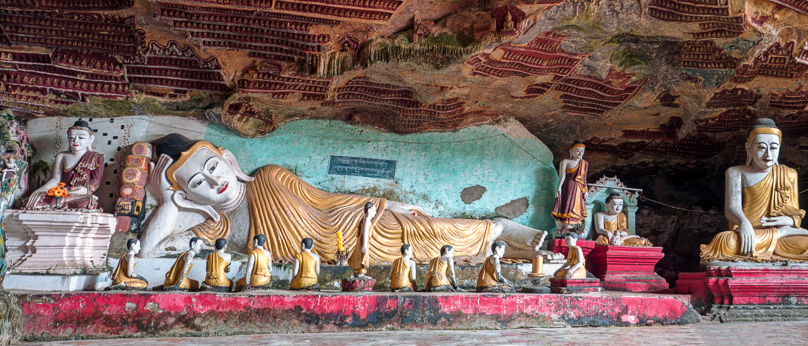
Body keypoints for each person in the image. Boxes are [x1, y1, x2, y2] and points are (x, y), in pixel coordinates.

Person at [140, 134, 550, 262]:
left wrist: (388, 205)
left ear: (229, 160)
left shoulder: (268, 178)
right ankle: (514, 254)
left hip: (356, 225)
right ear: (189, 196)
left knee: (433, 230)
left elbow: (326, 200)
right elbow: (151, 250)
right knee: (433, 254)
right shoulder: (219, 226)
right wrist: (165, 203)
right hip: (348, 256)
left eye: (214, 170)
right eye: (197, 185)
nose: (215, 186)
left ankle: (499, 228)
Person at [700, 119, 808, 263]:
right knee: (725, 242)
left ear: (779, 148)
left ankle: (781, 233)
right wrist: (744, 223)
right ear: (749, 148)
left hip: (783, 238)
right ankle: (780, 234)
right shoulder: (736, 172)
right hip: (750, 234)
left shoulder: (789, 174)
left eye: (773, 148)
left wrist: (788, 220)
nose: (768, 154)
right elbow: (731, 208)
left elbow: (795, 214)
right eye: (761, 147)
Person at [26, 120, 103, 210]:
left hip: (79, 195)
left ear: (91, 139)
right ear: (68, 139)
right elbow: (56, 179)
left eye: (81, 138)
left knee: (85, 203)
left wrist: (85, 190)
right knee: (36, 200)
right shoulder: (62, 156)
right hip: (62, 193)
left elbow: (96, 181)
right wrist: (41, 190)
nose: (76, 141)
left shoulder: (96, 157)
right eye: (72, 137)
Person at [551, 143, 588, 234]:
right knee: (568, 204)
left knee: (577, 206)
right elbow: (562, 176)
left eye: (582, 151)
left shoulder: (584, 163)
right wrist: (558, 188)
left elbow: (584, 178)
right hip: (568, 186)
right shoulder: (565, 162)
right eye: (578, 151)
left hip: (579, 187)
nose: (580, 153)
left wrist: (586, 191)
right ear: (571, 151)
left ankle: (576, 224)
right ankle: (566, 223)